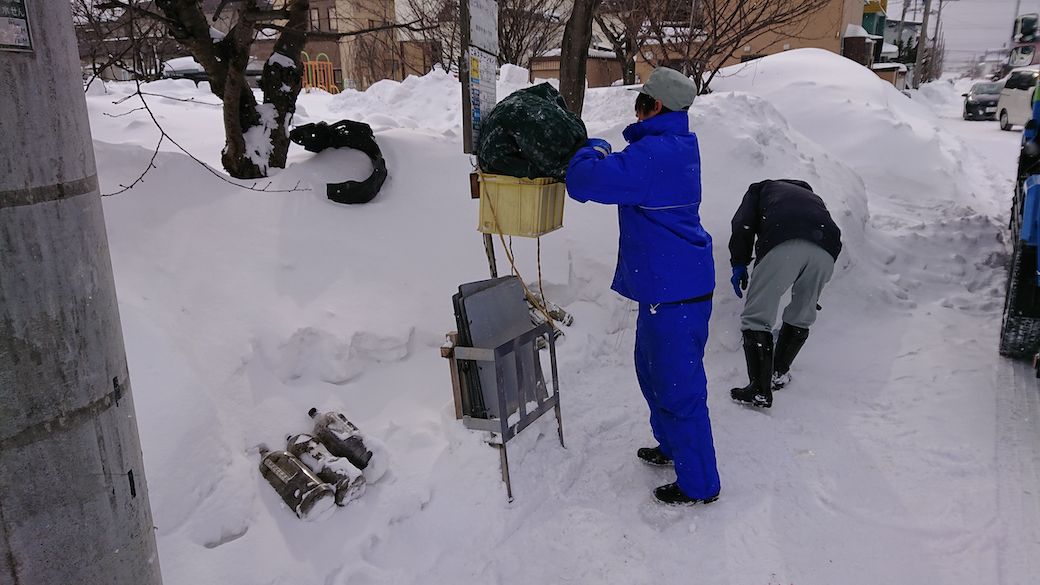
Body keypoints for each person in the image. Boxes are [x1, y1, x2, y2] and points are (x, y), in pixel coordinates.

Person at [565, 67, 720, 506]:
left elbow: (583, 181)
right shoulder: (674, 146)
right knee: (653, 375)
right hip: (669, 288)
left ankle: (700, 484)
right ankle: (673, 447)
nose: (635, 107)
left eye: (640, 101)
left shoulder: (654, 155)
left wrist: (593, 146)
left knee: (678, 388)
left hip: (676, 293)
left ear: (655, 107)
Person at [728, 179, 842, 409]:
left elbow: (743, 224)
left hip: (784, 240)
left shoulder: (760, 189)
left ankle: (760, 389)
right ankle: (777, 373)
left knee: (757, 317)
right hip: (826, 249)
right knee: (802, 313)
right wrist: (812, 287)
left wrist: (739, 262)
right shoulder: (812, 199)